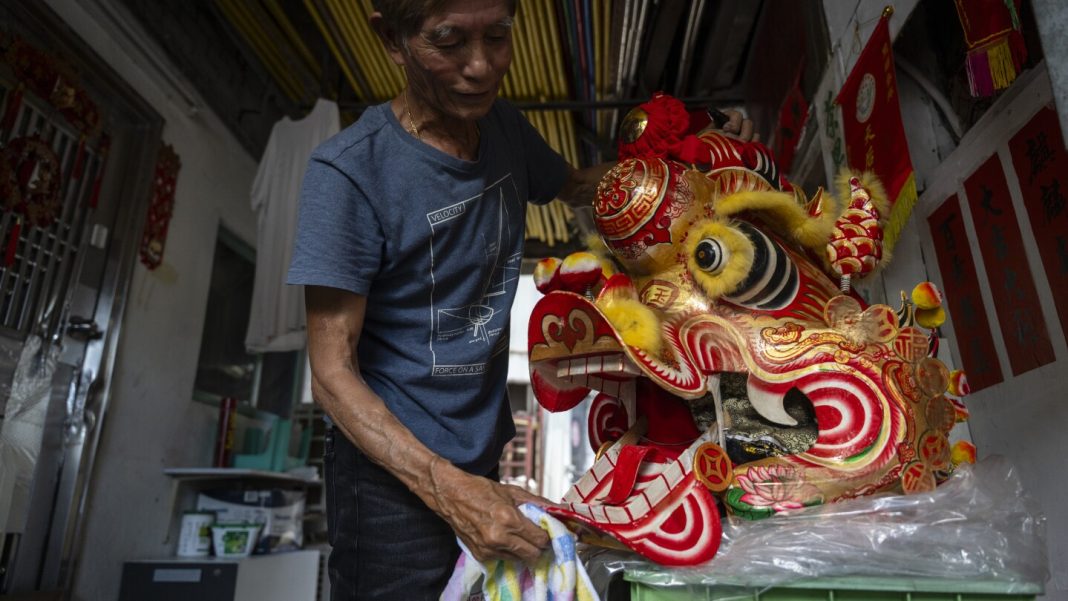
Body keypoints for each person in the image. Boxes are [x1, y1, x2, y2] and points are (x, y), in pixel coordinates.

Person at [287, 1, 751, 599]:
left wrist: (687, 156)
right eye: (448, 41)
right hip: (388, 477)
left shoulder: (504, 128)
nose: (481, 66)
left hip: (478, 451)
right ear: (393, 41)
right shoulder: (349, 173)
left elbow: (577, 186)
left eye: (498, 36)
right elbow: (330, 373)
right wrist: (446, 488)